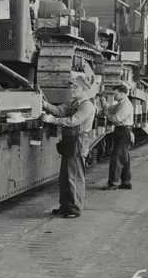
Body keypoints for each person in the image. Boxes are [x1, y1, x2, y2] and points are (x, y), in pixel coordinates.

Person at [41, 74, 96, 219]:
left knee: (75, 176)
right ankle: (66, 206)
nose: (72, 89)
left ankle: (75, 208)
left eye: (75, 87)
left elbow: (74, 120)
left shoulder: (87, 106)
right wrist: (45, 105)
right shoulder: (73, 103)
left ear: (84, 89)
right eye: (72, 86)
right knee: (65, 176)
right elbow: (59, 110)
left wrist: (53, 120)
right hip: (69, 140)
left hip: (78, 141)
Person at [98, 84, 134, 190]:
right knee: (124, 158)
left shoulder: (126, 105)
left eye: (116, 93)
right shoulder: (121, 103)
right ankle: (126, 182)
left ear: (122, 93)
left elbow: (117, 118)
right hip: (122, 132)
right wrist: (103, 100)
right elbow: (110, 109)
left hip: (123, 132)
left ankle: (113, 183)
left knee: (117, 157)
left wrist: (107, 115)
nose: (114, 95)